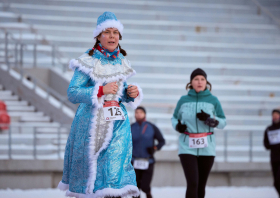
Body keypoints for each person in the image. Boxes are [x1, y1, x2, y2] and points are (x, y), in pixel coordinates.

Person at [57, 12, 143, 198]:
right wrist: (100, 91)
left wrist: (130, 93)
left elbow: (122, 92)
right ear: (98, 36)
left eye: (115, 32)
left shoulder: (122, 62)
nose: (112, 36)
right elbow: (73, 92)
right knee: (93, 178)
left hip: (118, 125)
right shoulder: (87, 61)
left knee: (115, 175)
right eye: (107, 32)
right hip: (91, 125)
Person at [171, 68, 226, 198]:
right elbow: (174, 118)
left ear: (206, 82)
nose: (199, 82)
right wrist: (177, 126)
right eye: (196, 79)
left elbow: (223, 121)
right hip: (187, 147)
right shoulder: (183, 100)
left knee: (201, 185)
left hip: (207, 148)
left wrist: (212, 120)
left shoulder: (213, 100)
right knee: (193, 183)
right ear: (191, 82)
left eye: (202, 79)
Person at [131, 106, 165, 198]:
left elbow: (162, 141)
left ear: (145, 114)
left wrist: (155, 148)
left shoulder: (151, 127)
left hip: (148, 161)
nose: (138, 114)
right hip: (134, 161)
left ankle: (148, 194)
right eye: (136, 112)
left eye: (141, 112)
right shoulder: (131, 127)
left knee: (145, 186)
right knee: (135, 188)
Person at [264, 109, 280, 197]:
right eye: (273, 115)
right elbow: (266, 144)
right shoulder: (269, 129)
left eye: (277, 115)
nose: (275, 116)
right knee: (276, 183)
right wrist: (273, 144)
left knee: (278, 180)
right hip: (274, 158)